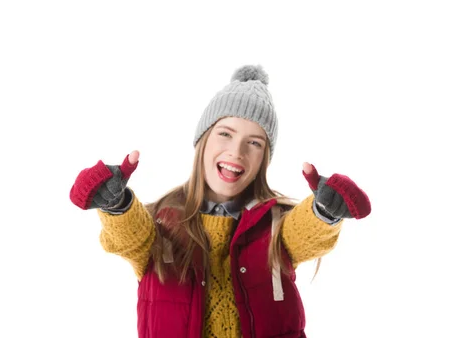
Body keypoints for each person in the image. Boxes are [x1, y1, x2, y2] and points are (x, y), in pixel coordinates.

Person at [69, 65, 371, 338]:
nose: (236, 151)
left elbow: (305, 231)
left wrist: (324, 211)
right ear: (203, 141)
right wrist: (117, 204)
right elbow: (130, 236)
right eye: (225, 134)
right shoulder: (161, 225)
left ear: (264, 158)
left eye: (254, 142)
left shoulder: (274, 224)